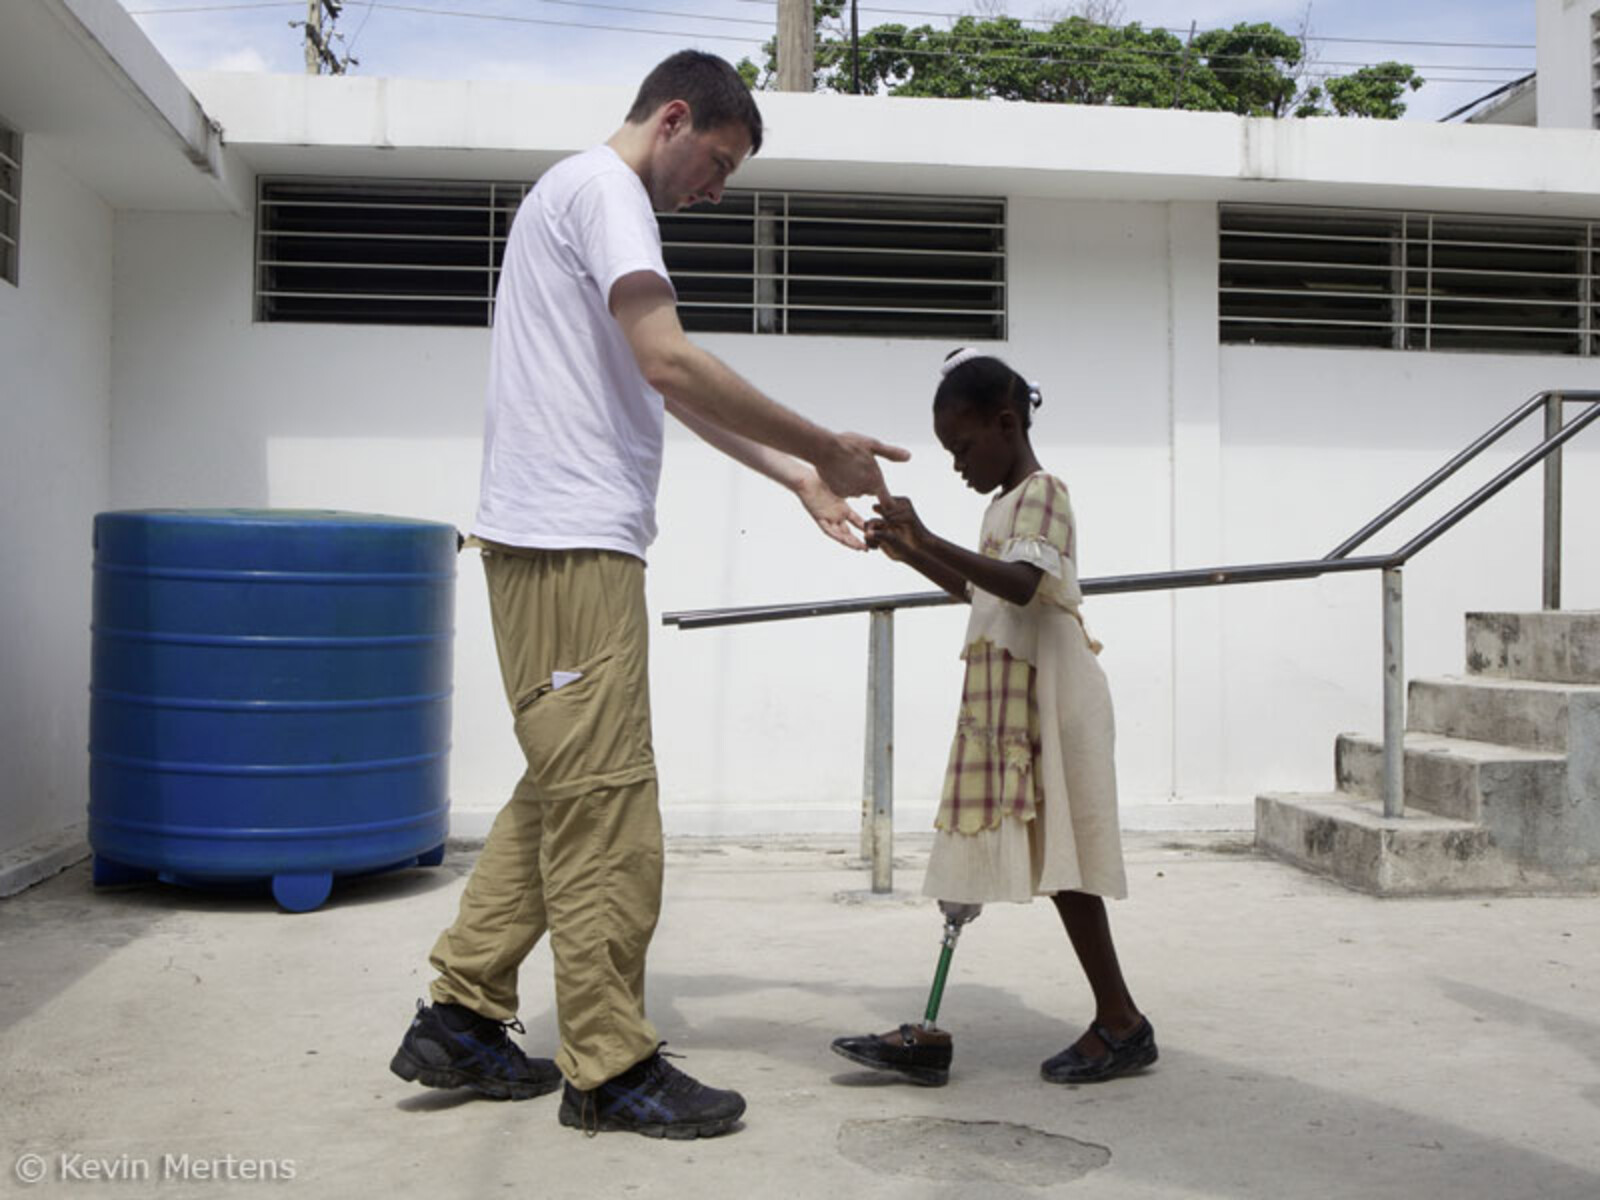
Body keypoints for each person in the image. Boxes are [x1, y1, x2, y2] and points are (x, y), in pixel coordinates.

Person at [389, 49, 908, 1140]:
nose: (716, 189)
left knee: (563, 787)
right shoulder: (607, 192)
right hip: (568, 546)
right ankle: (609, 1066)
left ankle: (461, 1013)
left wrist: (794, 473)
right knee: (609, 805)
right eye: (716, 162)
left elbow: (650, 383)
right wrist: (824, 442)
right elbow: (672, 362)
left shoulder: (580, 199)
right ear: (672, 118)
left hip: (563, 543)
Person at [829, 348, 1155, 1088]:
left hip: (1054, 698)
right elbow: (983, 594)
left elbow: (1022, 582)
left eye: (964, 446)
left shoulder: (1044, 491)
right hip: (1013, 697)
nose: (958, 465)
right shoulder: (999, 506)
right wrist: (910, 552)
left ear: (1006, 425)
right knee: (1043, 864)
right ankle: (1110, 1020)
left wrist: (930, 537)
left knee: (1070, 864)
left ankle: (1122, 1023)